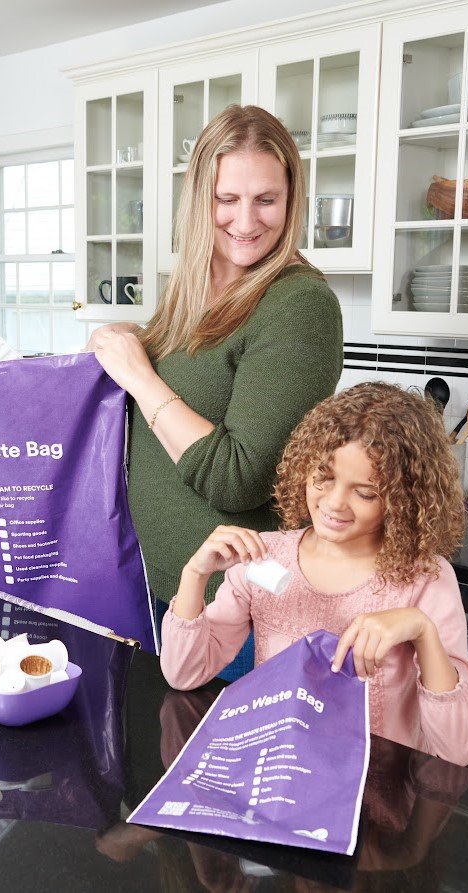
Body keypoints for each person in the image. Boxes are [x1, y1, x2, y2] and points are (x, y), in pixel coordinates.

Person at [88, 105, 342, 679]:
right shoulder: (195, 287)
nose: (245, 221)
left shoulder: (298, 304)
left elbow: (239, 476)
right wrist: (141, 342)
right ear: (199, 199)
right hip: (162, 592)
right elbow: (181, 394)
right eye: (227, 199)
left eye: (266, 199)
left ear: (292, 199)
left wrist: (140, 374)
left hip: (238, 615)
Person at [160, 382, 468, 766]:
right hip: (278, 776)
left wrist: (422, 630)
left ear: (403, 499)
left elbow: (458, 750)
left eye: (364, 493)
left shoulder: (425, 580)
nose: (333, 502)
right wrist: (195, 575)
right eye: (323, 477)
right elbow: (184, 674)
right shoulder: (267, 558)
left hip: (373, 798)